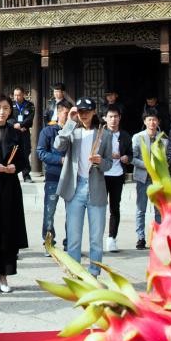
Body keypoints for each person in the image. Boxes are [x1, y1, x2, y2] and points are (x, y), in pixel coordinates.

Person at [55, 98, 113, 277]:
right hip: (75, 188)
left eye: (87, 111)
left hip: (96, 188)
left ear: (94, 112)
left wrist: (100, 161)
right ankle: (75, 272)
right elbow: (58, 145)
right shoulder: (73, 132)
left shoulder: (105, 134)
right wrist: (69, 122)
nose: (84, 114)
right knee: (73, 237)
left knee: (96, 238)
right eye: (80, 111)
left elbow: (110, 164)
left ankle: (94, 273)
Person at [0, 94, 29, 293]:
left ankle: (4, 276)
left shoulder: (16, 133)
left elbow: (24, 160)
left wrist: (14, 168)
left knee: (8, 231)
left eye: (6, 108)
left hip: (10, 187)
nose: (2, 112)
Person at [37, 101, 70, 251]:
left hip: (71, 177)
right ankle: (49, 243)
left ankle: (70, 243)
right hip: (53, 176)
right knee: (49, 212)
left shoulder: (75, 130)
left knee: (72, 213)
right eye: (66, 113)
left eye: (71, 113)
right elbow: (41, 152)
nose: (69, 116)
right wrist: (60, 160)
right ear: (59, 113)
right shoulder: (48, 131)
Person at [132, 108, 163, 249]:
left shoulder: (163, 138)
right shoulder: (137, 137)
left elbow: (166, 158)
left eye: (154, 119)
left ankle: (158, 236)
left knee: (159, 209)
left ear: (158, 121)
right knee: (141, 208)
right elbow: (133, 157)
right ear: (145, 121)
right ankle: (140, 237)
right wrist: (147, 165)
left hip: (158, 178)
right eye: (149, 119)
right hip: (142, 177)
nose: (152, 122)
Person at [102, 105, 132, 253]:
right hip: (102, 175)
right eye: (110, 117)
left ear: (120, 118)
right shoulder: (100, 134)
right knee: (99, 207)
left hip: (118, 175)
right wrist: (108, 156)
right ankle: (97, 237)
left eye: (116, 117)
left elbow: (131, 154)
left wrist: (127, 158)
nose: (113, 120)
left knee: (115, 207)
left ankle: (112, 238)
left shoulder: (125, 135)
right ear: (105, 118)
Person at [10, 87, 35, 182]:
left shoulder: (29, 105)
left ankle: (26, 174)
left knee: (25, 152)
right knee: (13, 152)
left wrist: (20, 125)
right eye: (15, 95)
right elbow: (9, 117)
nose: (16, 97)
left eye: (18, 95)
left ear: (23, 94)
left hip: (24, 132)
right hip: (13, 132)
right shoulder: (11, 105)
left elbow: (30, 118)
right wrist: (15, 125)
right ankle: (13, 173)